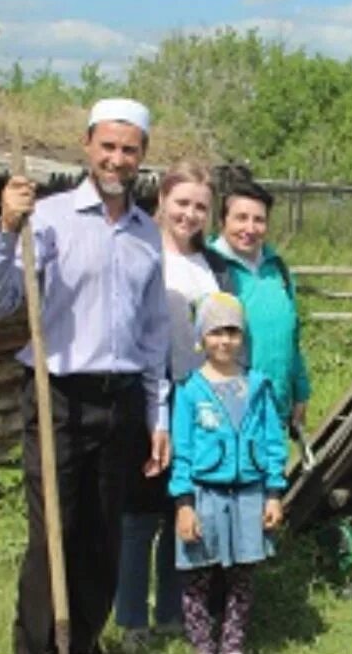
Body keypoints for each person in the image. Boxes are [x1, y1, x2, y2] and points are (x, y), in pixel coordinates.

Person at [0, 98, 170, 654]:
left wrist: (158, 417)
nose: (116, 159)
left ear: (142, 156)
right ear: (87, 147)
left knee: (101, 542)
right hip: (57, 397)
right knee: (52, 537)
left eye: (129, 150)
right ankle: (36, 648)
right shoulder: (46, 218)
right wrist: (7, 227)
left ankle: (80, 643)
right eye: (107, 146)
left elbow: (153, 338)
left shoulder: (147, 235)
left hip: (121, 402)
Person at [115, 160, 234, 650]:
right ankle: (131, 619)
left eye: (200, 207)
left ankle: (170, 611)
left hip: (198, 401)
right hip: (143, 396)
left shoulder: (215, 267)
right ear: (161, 201)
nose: (189, 214)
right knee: (139, 513)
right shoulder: (138, 252)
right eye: (181, 202)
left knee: (180, 508)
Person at [170, 292, 287, 654]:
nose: (225, 341)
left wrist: (273, 493)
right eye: (216, 332)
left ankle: (232, 645)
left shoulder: (258, 386)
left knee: (242, 577)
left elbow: (273, 444)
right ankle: (204, 646)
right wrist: (184, 503)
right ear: (202, 337)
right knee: (198, 577)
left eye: (233, 332)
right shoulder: (190, 391)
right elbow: (183, 452)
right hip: (205, 496)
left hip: (250, 496)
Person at [209, 178, 310, 439]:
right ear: (223, 221)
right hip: (224, 416)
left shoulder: (277, 270)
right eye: (241, 218)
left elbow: (292, 338)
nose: (250, 228)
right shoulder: (209, 269)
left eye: (259, 220)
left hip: (274, 411)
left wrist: (300, 392)